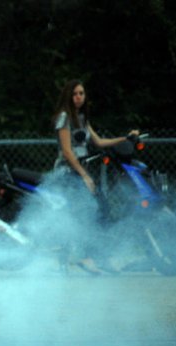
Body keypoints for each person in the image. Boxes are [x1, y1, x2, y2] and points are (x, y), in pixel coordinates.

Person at [52, 79, 139, 274]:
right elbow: (67, 152)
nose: (78, 97)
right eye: (75, 94)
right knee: (89, 211)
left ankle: (99, 257)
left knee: (102, 209)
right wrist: (85, 176)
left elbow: (98, 142)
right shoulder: (64, 118)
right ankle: (87, 258)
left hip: (80, 171)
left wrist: (125, 138)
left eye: (81, 93)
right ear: (68, 96)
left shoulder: (82, 118)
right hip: (68, 172)